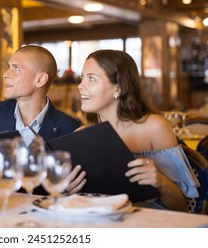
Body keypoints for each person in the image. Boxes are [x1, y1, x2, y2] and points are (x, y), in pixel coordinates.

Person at [76, 49, 199, 211]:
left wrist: (160, 181)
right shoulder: (80, 135)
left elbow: (182, 207)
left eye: (92, 78)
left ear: (118, 88)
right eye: (82, 78)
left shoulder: (155, 127)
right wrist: (70, 189)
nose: (80, 86)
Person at [0, 45, 86, 194]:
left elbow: (68, 183)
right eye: (9, 67)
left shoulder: (71, 128)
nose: (6, 74)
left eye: (16, 68)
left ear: (40, 79)